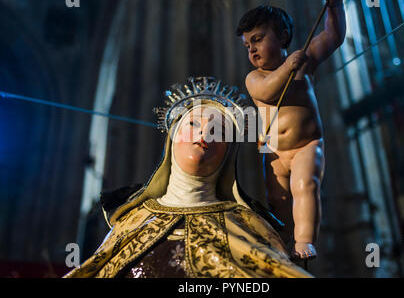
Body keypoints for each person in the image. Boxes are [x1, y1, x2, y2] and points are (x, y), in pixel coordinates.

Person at [64, 77, 312, 278]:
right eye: (193, 124)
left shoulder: (249, 226)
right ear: (172, 139)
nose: (204, 133)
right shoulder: (131, 221)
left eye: (218, 131)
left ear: (229, 154)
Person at [235, 0, 346, 261]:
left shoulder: (304, 62)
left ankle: (305, 240)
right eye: (247, 45)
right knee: (279, 202)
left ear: (283, 36)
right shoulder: (255, 77)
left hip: (306, 145)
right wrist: (287, 68)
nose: (252, 50)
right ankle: (285, 245)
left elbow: (333, 36)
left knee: (304, 186)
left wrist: (336, 6)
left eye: (258, 39)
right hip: (272, 151)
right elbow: (266, 92)